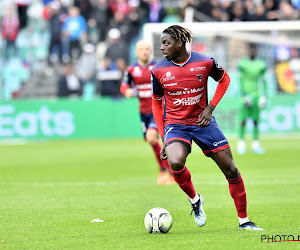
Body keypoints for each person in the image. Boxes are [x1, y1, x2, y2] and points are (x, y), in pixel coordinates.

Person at [151, 25, 263, 230]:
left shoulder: (205, 62)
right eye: (161, 43)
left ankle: (244, 221)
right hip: (176, 125)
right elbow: (156, 103)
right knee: (175, 162)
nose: (161, 47)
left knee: (230, 168)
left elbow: (224, 80)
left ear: (180, 43)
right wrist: (163, 136)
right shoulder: (158, 70)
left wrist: (210, 107)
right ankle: (195, 200)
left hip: (203, 122)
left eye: (166, 43)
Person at [121, 40, 174, 185]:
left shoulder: (157, 67)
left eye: (147, 49)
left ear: (150, 51)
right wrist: (127, 91)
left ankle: (165, 171)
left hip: (157, 109)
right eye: (141, 49)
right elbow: (124, 85)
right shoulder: (131, 70)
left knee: (152, 138)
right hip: (143, 111)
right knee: (152, 141)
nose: (144, 51)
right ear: (136, 52)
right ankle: (169, 170)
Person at [237, 43, 267, 155]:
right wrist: (243, 95)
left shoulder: (261, 64)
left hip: (256, 95)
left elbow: (263, 80)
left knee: (255, 121)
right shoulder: (242, 64)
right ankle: (241, 144)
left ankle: (255, 144)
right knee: (243, 120)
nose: (252, 52)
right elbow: (239, 80)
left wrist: (264, 96)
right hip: (245, 95)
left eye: (254, 50)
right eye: (250, 50)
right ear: (248, 51)